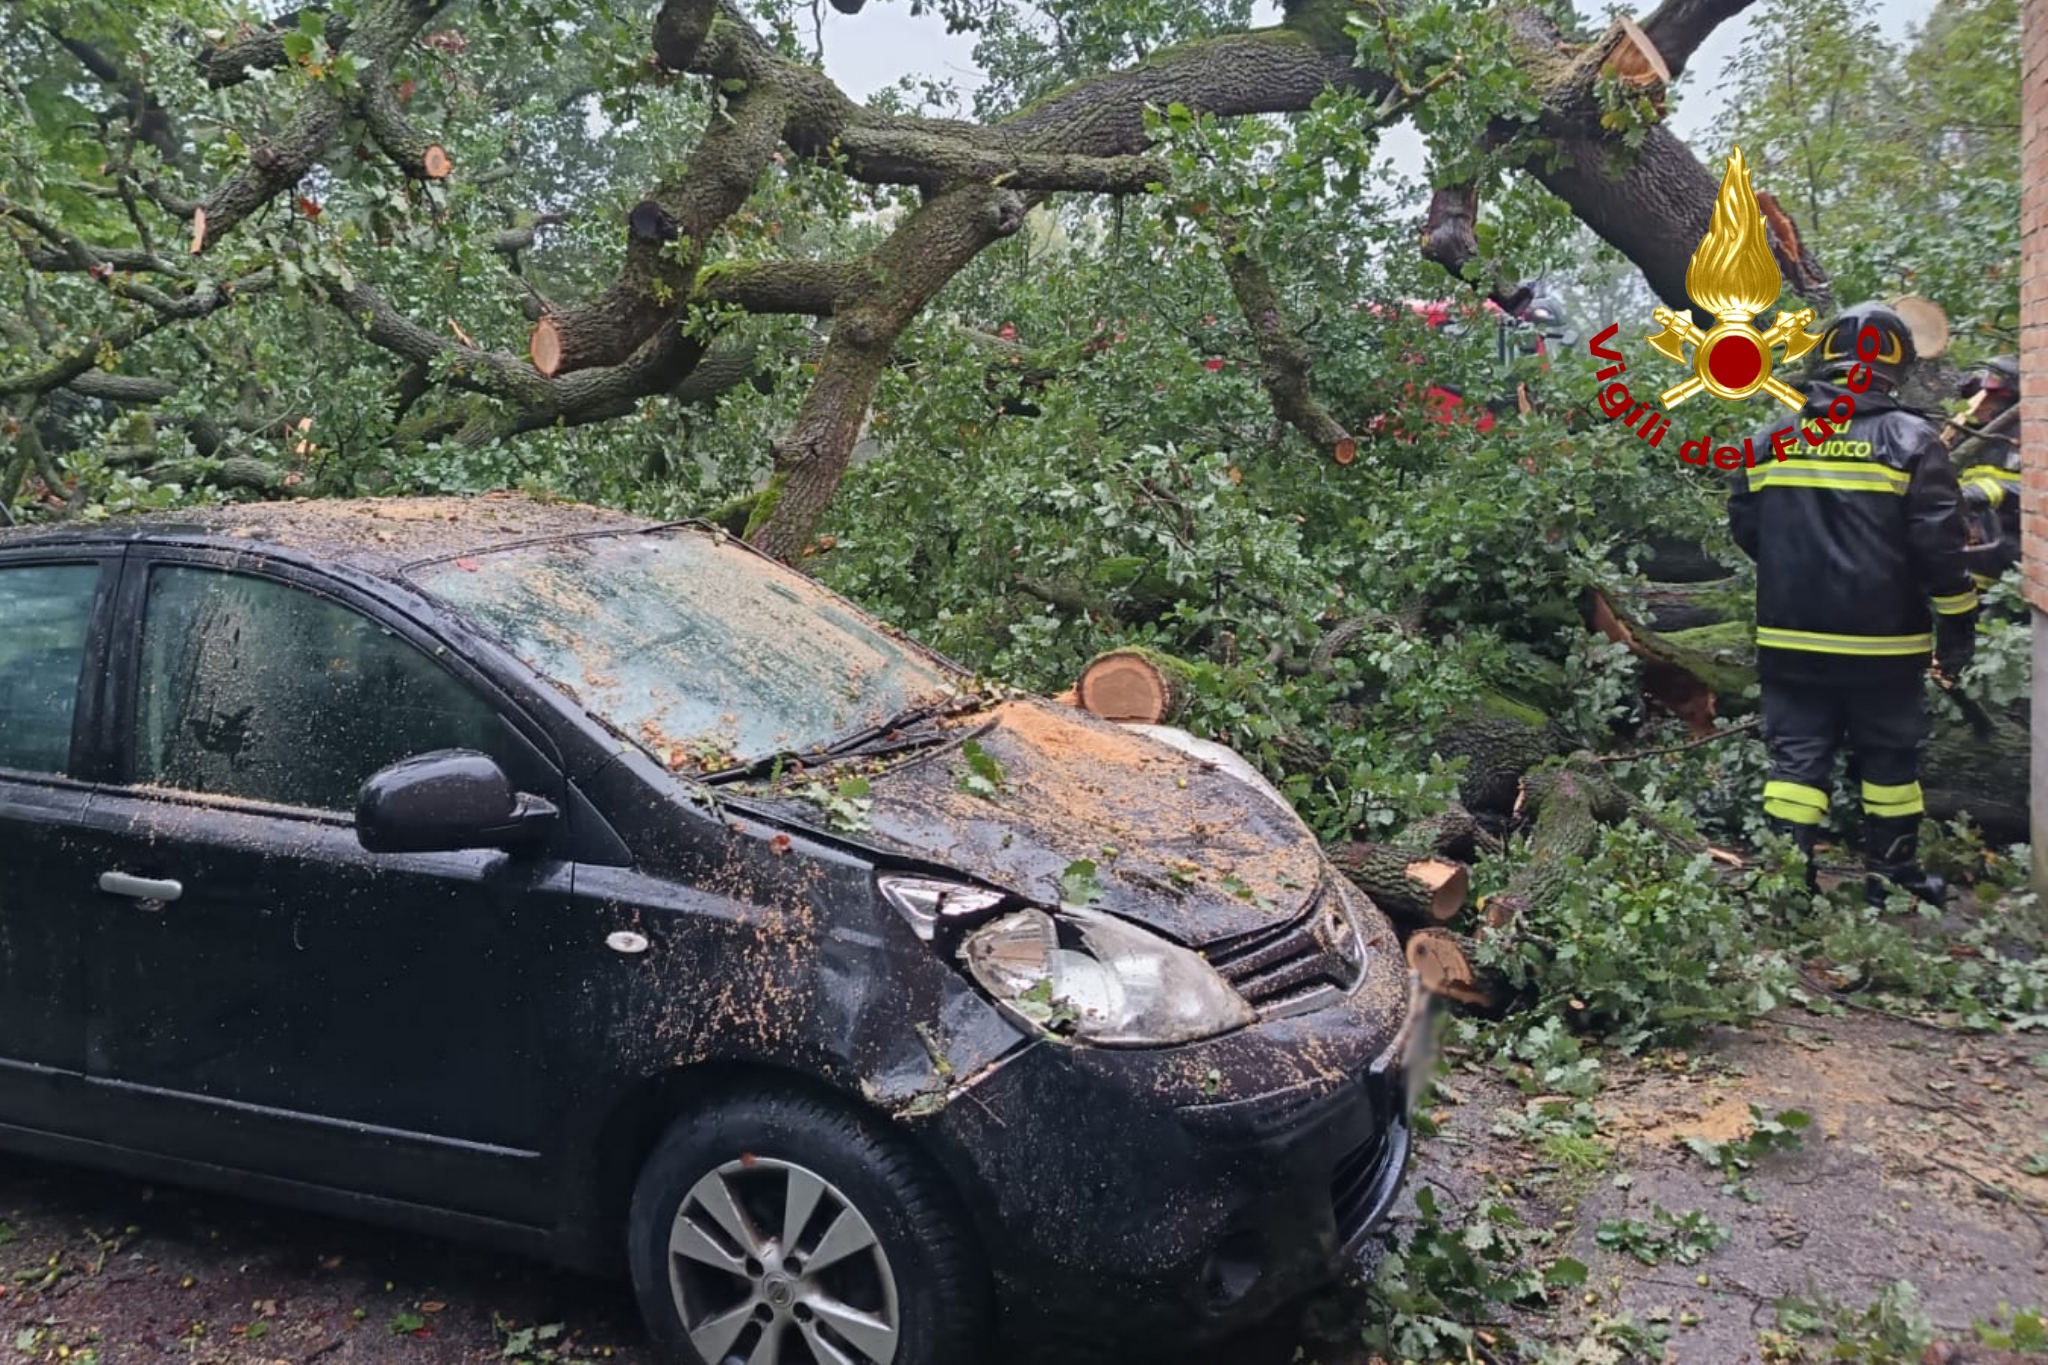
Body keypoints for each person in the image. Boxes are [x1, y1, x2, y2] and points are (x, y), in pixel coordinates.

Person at [1727, 301, 1978, 906]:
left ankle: (1787, 885)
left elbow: (1748, 528)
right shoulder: (1913, 441)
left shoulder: (1770, 440)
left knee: (1796, 763)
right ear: (1898, 369)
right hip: (1885, 647)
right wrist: (1958, 629)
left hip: (1790, 641)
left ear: (1824, 360)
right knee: (1890, 761)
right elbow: (1941, 550)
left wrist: (1794, 570)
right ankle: (1891, 879)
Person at [1947, 355, 2022, 589]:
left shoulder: (2029, 438)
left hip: (2012, 567)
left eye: (1991, 397)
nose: (1980, 403)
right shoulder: (1965, 438)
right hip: (1969, 565)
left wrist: (1984, 491)